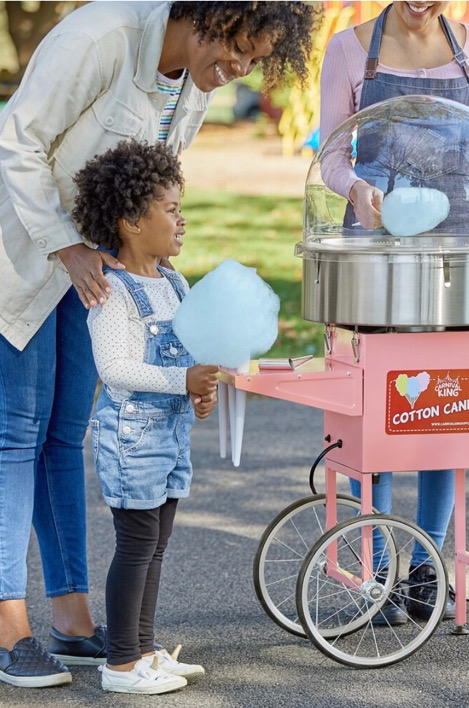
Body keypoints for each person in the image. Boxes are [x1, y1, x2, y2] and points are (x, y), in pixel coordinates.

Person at [0, 1, 319, 689]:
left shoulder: (192, 85)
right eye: (237, 49)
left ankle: (75, 621)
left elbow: (152, 175)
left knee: (65, 434)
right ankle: (9, 631)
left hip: (97, 272)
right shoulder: (101, 36)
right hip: (25, 254)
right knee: (16, 437)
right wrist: (65, 245)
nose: (238, 70)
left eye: (255, 60)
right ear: (209, 14)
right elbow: (17, 138)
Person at [319, 1, 469, 624]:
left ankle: (424, 570)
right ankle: (376, 570)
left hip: (459, 253)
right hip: (375, 251)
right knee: (378, 414)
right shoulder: (349, 49)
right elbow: (332, 155)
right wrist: (358, 191)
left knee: (445, 411)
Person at [71, 139, 217, 694]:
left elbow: (190, 355)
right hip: (132, 439)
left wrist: (198, 393)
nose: (181, 220)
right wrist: (182, 380)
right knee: (136, 546)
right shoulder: (114, 293)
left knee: (156, 546)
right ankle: (121, 664)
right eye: (171, 210)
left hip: (171, 437)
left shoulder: (175, 283)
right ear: (132, 220)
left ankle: (146, 647)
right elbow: (114, 368)